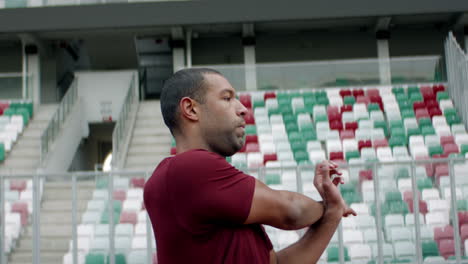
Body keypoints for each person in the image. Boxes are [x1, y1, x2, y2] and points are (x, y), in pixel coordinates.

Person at [144, 68, 356, 264]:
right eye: (227, 98)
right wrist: (327, 205)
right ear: (190, 109)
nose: (243, 108)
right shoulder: (191, 168)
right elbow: (291, 211)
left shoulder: (193, 183)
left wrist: (332, 213)